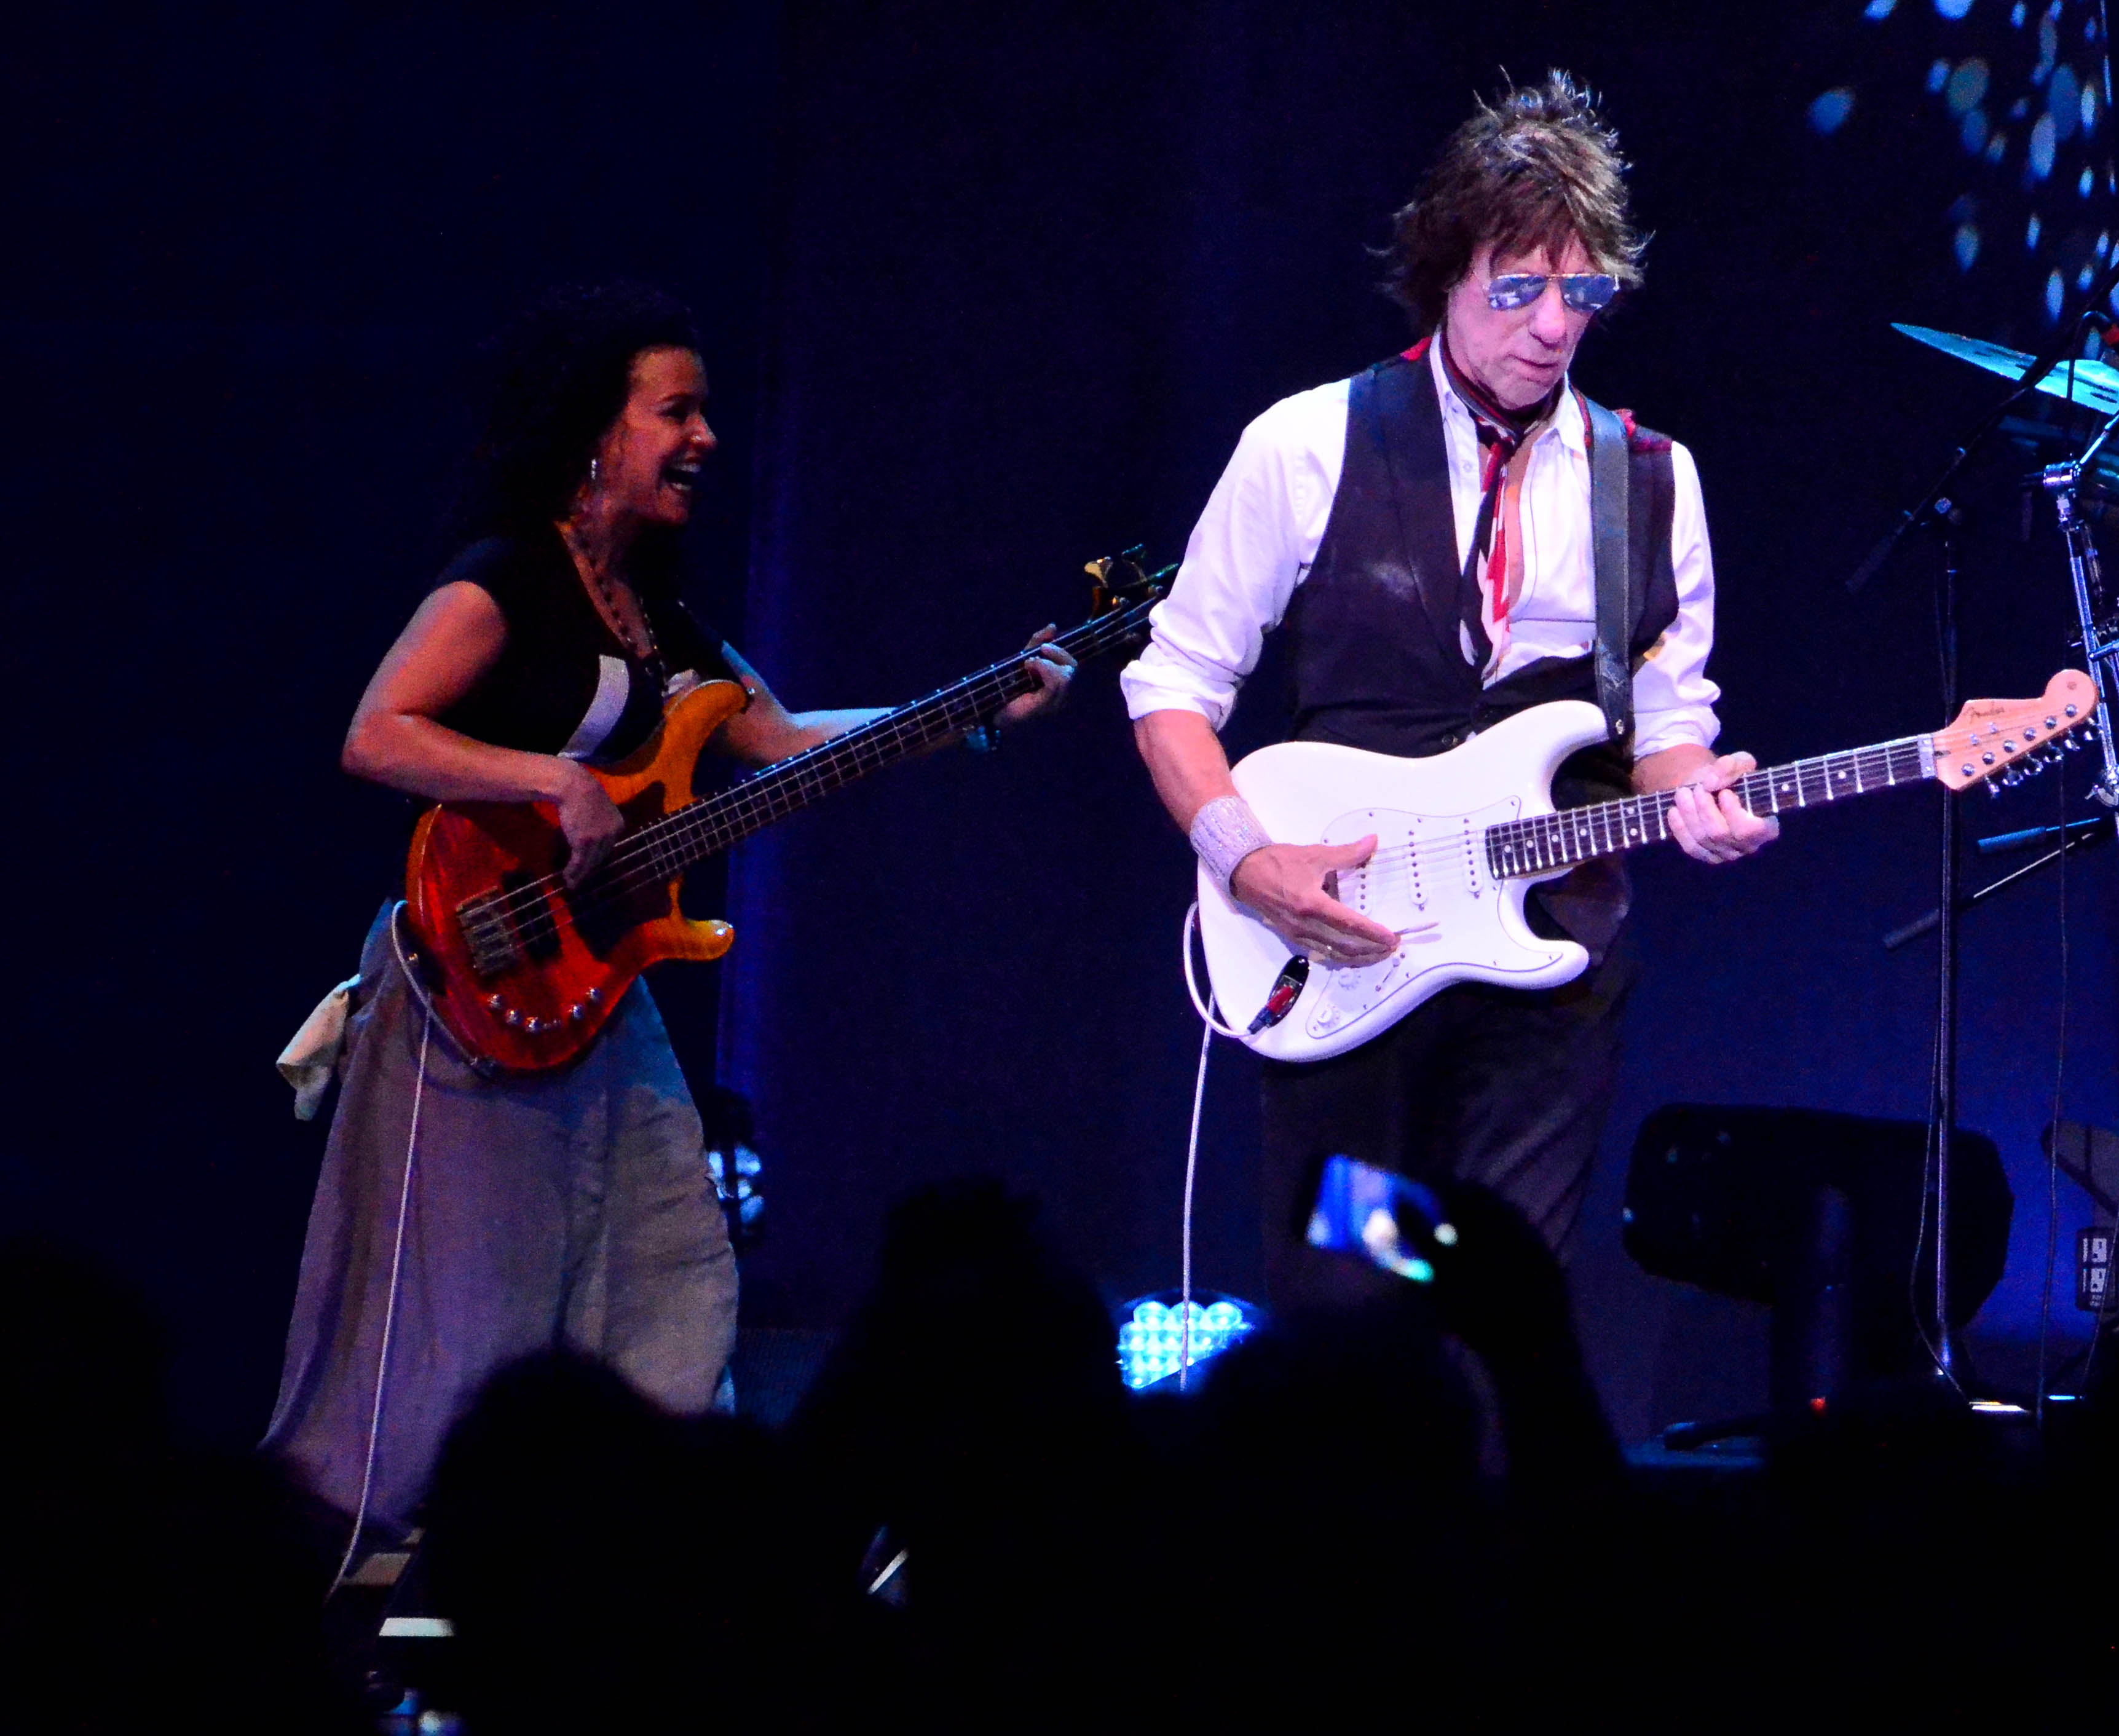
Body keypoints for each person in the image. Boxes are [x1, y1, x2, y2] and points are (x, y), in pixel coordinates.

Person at [264, 282, 1072, 1544]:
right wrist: (550, 779)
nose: (705, 438)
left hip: (596, 988)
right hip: (461, 977)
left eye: (706, 412)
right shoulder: (505, 582)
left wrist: (977, 704)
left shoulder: (668, 624)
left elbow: (793, 741)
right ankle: (382, 1556)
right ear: (598, 433)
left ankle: (643, 1535)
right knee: (459, 1299)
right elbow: (377, 734)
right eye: (675, 412)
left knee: (671, 1258)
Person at [1123, 74, 1772, 1297]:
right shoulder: (1304, 444)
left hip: (1551, 953)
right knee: (1350, 1297)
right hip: (1349, 940)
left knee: (1496, 1306)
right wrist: (1249, 862)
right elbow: (1173, 687)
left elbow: (1669, 719)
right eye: (1516, 290)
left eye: (1579, 293)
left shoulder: (1652, 479)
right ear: (1444, 275)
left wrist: (1700, 791)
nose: (1551, 327)